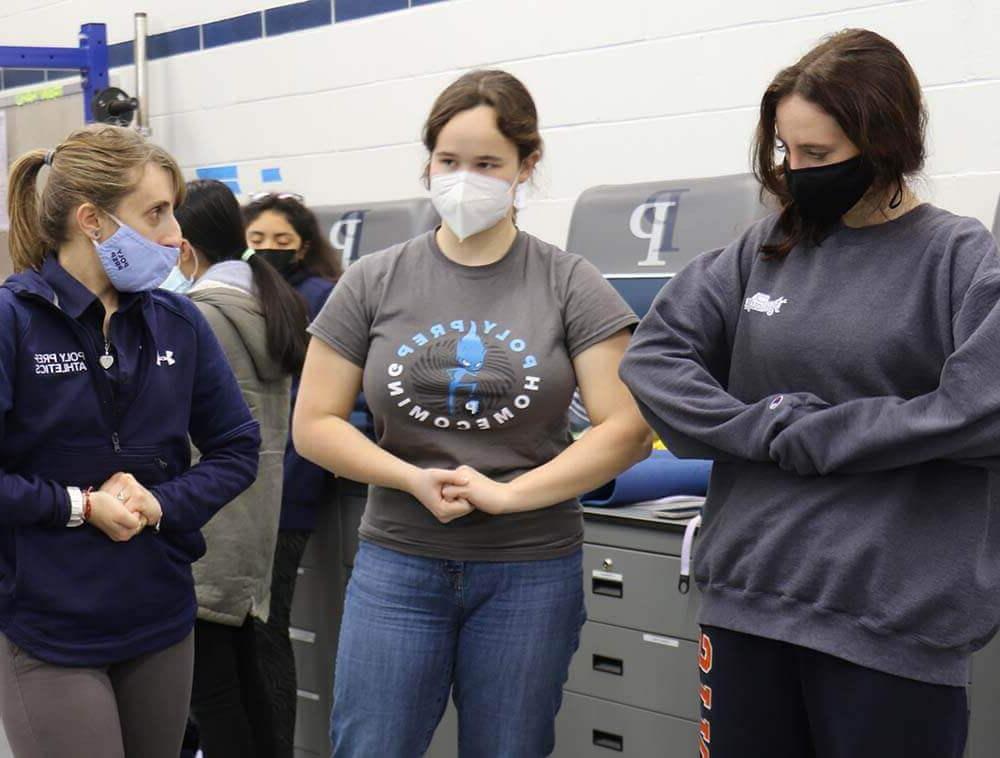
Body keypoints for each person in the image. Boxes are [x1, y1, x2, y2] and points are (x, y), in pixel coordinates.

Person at [619, 28, 1000, 758]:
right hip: (749, 605)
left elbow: (981, 410)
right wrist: (762, 428)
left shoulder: (957, 256)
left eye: (817, 156)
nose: (795, 173)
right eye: (786, 154)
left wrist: (824, 435)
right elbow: (655, 358)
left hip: (888, 627)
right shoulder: (764, 248)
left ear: (884, 142)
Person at [293, 69, 652, 757]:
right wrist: (409, 478)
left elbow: (626, 429)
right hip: (400, 561)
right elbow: (314, 424)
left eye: (487, 163)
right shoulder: (374, 279)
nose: (465, 179)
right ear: (427, 161)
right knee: (371, 745)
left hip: (529, 570)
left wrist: (509, 495)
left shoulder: (570, 282)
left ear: (526, 166)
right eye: (449, 161)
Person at [0, 125, 260, 757]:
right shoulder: (13, 323)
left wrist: (162, 502)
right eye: (156, 213)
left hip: (160, 616)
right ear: (91, 220)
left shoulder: (179, 321)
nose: (175, 235)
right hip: (47, 626)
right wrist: (79, 505)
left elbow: (237, 447)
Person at [170, 179, 309, 758]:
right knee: (244, 677)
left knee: (212, 691)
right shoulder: (266, 299)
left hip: (207, 523)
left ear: (184, 245)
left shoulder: (200, 313)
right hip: (252, 519)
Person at [242, 192, 342, 758]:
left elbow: (321, 402)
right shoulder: (240, 293)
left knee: (265, 629)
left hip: (291, 485)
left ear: (304, 245)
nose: (269, 251)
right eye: (257, 241)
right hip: (243, 483)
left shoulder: (322, 298)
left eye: (282, 241)